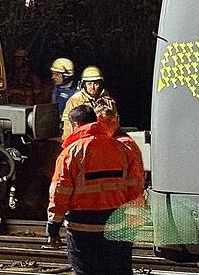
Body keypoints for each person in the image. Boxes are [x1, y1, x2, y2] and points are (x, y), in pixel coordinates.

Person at [47, 104, 139, 275]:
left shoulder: (70, 153)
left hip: (83, 229)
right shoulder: (121, 148)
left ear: (75, 125)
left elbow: (60, 192)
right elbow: (134, 186)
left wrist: (53, 226)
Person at [61, 65, 113, 137]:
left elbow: (114, 122)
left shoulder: (107, 100)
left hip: (103, 139)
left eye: (96, 83)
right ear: (84, 84)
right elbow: (68, 126)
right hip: (82, 139)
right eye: (89, 84)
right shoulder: (75, 100)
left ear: (100, 84)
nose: (92, 87)